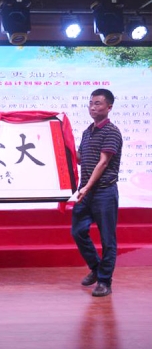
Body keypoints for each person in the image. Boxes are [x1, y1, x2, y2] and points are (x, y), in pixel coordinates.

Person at [71, 89, 123, 297]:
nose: (93, 107)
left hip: (104, 192)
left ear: (109, 107)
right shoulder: (87, 132)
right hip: (86, 192)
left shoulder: (111, 132)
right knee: (77, 231)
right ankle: (96, 267)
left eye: (98, 103)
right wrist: (61, 144)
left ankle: (104, 281)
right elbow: (80, 159)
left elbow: (103, 163)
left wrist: (86, 187)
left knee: (107, 239)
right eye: (91, 103)